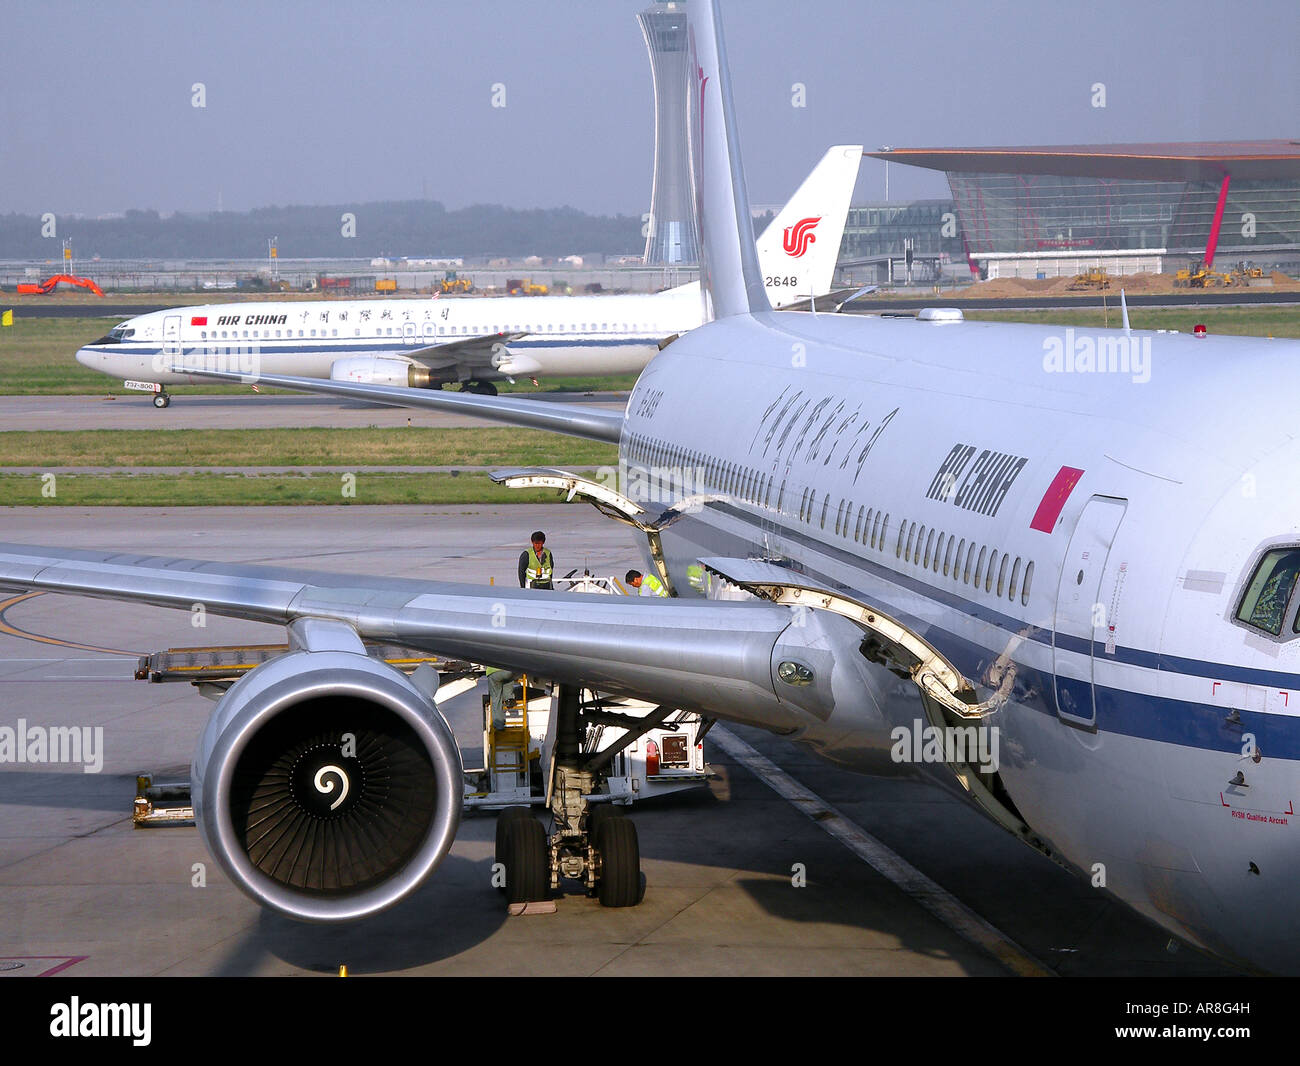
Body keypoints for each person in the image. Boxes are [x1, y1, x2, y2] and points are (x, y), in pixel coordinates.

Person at [486, 666, 521, 731]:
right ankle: (509, 698)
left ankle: (499, 725)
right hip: (508, 670)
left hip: (493, 673)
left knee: (496, 699)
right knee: (508, 679)